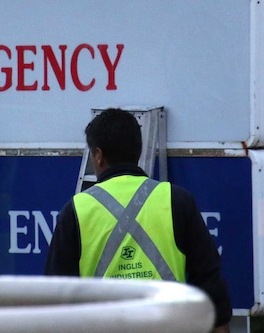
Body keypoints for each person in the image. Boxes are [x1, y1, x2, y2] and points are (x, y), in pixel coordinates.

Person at [44, 108, 232, 332]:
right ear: (139, 150)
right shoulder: (176, 200)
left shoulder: (76, 210)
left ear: (98, 155)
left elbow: (55, 299)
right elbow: (210, 284)